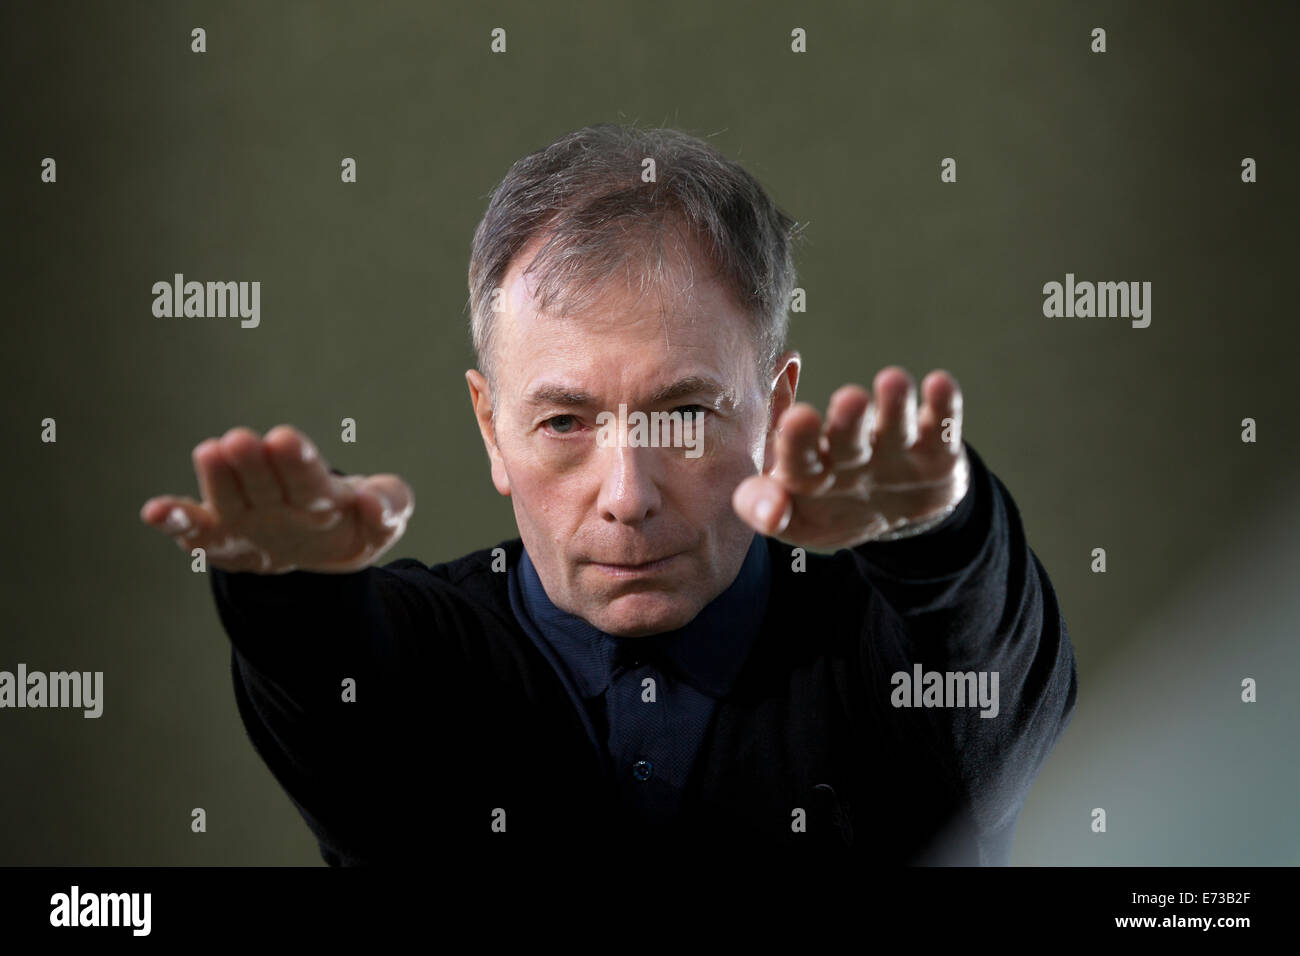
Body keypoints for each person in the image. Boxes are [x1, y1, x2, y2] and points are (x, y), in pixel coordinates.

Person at [139, 123, 1077, 865]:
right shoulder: (426, 668)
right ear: (489, 427)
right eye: (564, 423)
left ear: (774, 408)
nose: (626, 496)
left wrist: (942, 542)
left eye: (683, 415)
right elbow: (334, 687)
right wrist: (291, 593)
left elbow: (978, 690)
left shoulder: (880, 661)